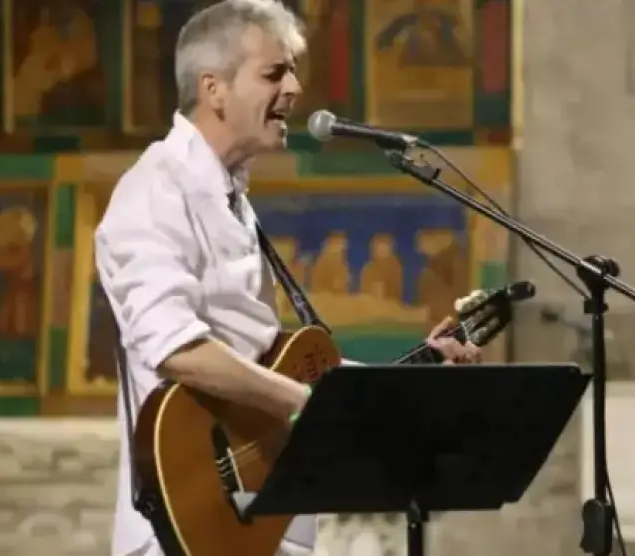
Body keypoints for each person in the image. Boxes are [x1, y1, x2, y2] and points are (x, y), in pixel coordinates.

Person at [93, 1, 481, 555]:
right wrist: (302, 402)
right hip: (186, 527)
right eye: (274, 73)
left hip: (261, 519)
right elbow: (174, 347)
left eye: (293, 72)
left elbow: (265, 362)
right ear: (213, 88)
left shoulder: (229, 198)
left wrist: (413, 378)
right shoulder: (156, 189)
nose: (295, 88)